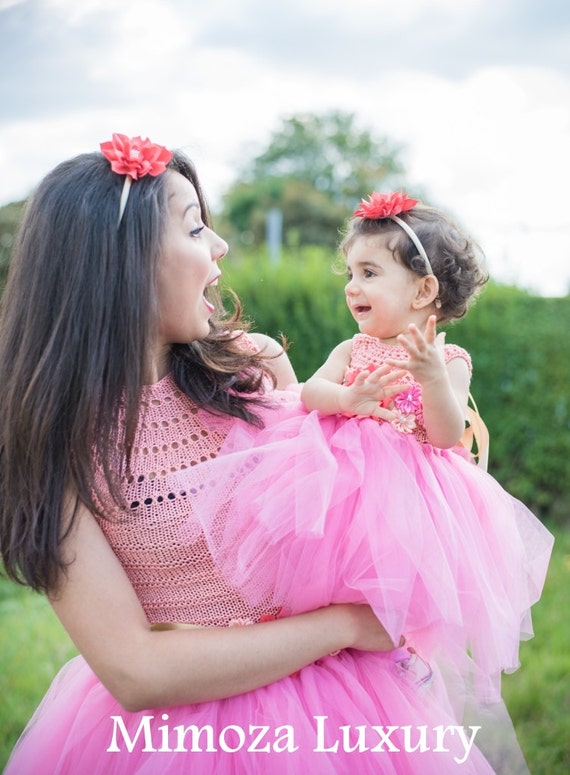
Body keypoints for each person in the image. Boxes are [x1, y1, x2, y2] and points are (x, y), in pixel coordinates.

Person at [0, 136, 502, 774]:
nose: (220, 247)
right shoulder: (54, 441)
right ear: (122, 261)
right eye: (194, 228)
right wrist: (346, 626)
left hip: (338, 706)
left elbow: (344, 512)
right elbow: (134, 671)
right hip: (175, 731)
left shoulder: (256, 368)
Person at [182, 191, 554, 773]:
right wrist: (348, 397)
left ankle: (393, 655)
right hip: (336, 477)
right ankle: (304, 631)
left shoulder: (448, 359)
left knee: (392, 582)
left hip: (405, 492)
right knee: (316, 564)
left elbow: (443, 433)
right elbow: (308, 392)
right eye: (350, 273)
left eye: (370, 273)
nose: (352, 287)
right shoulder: (352, 346)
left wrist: (431, 377)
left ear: (423, 290)